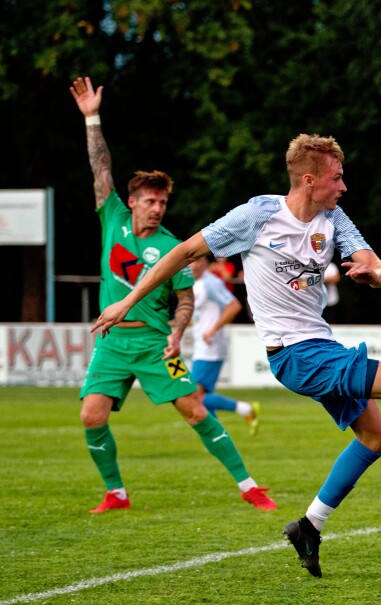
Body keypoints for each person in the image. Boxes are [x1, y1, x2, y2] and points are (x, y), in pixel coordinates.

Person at [91, 132, 381, 576]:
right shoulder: (257, 215)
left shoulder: (333, 217)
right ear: (308, 179)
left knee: (377, 437)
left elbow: (379, 266)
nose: (343, 187)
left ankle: (308, 525)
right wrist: (126, 302)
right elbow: (184, 251)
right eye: (337, 178)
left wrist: (373, 273)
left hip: (320, 346)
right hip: (295, 355)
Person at [70, 76, 276, 513]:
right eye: (150, 200)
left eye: (162, 201)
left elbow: (186, 300)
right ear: (132, 201)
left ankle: (249, 486)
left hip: (157, 343)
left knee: (196, 409)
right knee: (91, 416)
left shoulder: (172, 247)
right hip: (111, 343)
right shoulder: (112, 218)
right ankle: (116, 494)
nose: (158, 207)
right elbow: (100, 168)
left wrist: (177, 333)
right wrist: (92, 118)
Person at [190, 255, 261, 432]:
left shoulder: (210, 283)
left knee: (195, 396)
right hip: (202, 346)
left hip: (211, 346)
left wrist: (213, 330)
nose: (192, 265)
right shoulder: (195, 284)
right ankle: (217, 435)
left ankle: (246, 409)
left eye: (197, 260)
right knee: (201, 397)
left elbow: (234, 306)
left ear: (205, 262)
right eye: (190, 261)